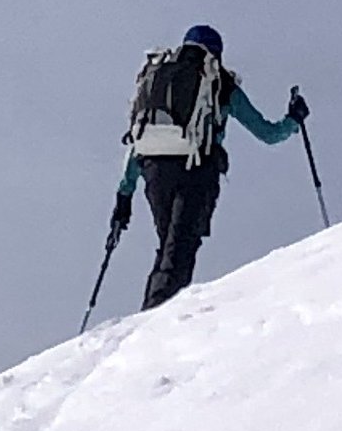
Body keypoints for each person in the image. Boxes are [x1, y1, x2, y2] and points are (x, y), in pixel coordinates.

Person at [114, 24, 306, 308]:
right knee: (180, 247)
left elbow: (138, 142)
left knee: (168, 244)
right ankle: (157, 319)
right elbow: (267, 133)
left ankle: (151, 312)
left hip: (153, 170)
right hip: (196, 169)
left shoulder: (157, 77)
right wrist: (294, 120)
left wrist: (124, 196)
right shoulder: (220, 84)